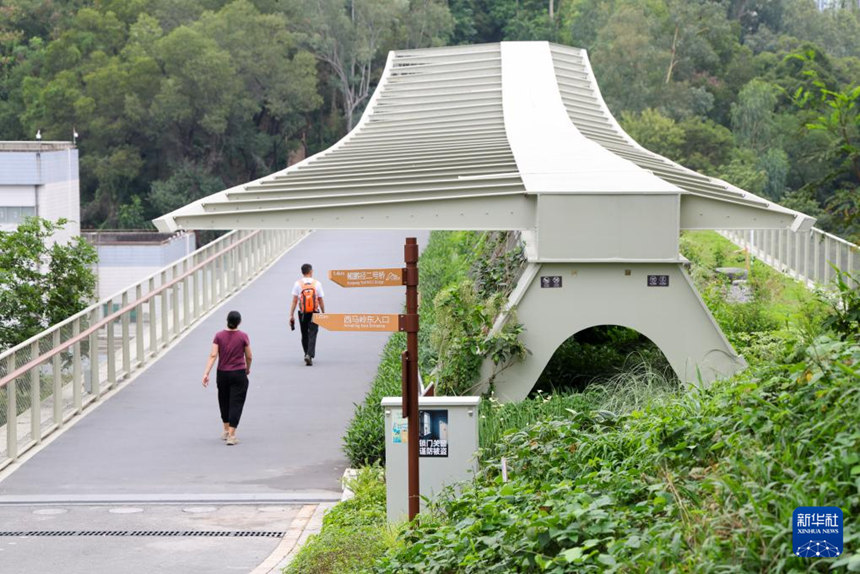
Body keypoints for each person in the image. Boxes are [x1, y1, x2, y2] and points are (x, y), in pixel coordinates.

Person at [202, 310, 252, 446]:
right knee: (236, 403)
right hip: (238, 373)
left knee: (223, 400)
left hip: (222, 373)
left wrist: (206, 373)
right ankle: (232, 435)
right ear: (239, 322)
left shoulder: (218, 336)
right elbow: (249, 356)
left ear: (227, 321)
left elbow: (213, 355)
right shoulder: (243, 336)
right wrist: (247, 368)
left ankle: (225, 430)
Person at [289, 263, 325, 366]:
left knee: (304, 333)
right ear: (311, 271)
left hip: (302, 312)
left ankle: (306, 353)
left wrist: (291, 315)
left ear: (302, 272)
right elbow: (320, 300)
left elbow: (294, 301)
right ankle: (309, 354)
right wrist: (323, 313)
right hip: (315, 311)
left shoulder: (297, 284)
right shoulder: (317, 283)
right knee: (313, 333)